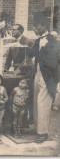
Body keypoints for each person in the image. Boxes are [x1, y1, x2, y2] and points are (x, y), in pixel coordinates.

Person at [27, 11, 60, 143]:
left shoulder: (53, 41)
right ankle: (37, 128)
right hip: (38, 73)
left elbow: (54, 61)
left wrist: (54, 79)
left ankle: (43, 133)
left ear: (43, 27)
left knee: (43, 103)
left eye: (36, 27)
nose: (34, 29)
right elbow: (31, 54)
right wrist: (29, 43)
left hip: (48, 76)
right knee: (35, 101)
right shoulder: (37, 40)